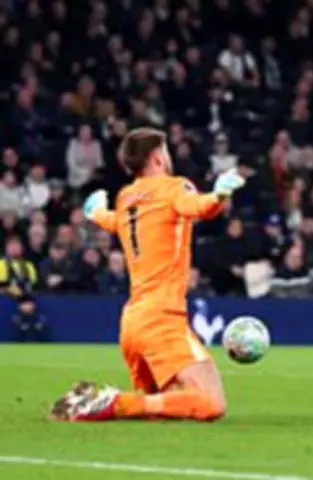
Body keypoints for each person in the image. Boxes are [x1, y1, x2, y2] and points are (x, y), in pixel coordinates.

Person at [48, 127, 245, 422]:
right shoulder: (175, 187)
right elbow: (197, 207)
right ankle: (115, 403)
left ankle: (94, 403)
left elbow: (117, 223)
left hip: (132, 324)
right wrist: (218, 195)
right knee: (209, 404)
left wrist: (97, 212)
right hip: (162, 319)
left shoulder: (127, 197)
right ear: (156, 158)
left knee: (164, 408)